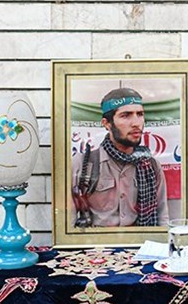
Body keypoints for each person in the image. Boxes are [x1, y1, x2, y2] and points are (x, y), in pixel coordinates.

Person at [72, 87, 169, 228]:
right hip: (96, 241)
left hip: (142, 240)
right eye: (125, 115)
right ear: (107, 123)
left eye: (140, 114)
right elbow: (67, 224)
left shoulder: (151, 166)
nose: (136, 123)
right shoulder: (83, 164)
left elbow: (162, 218)